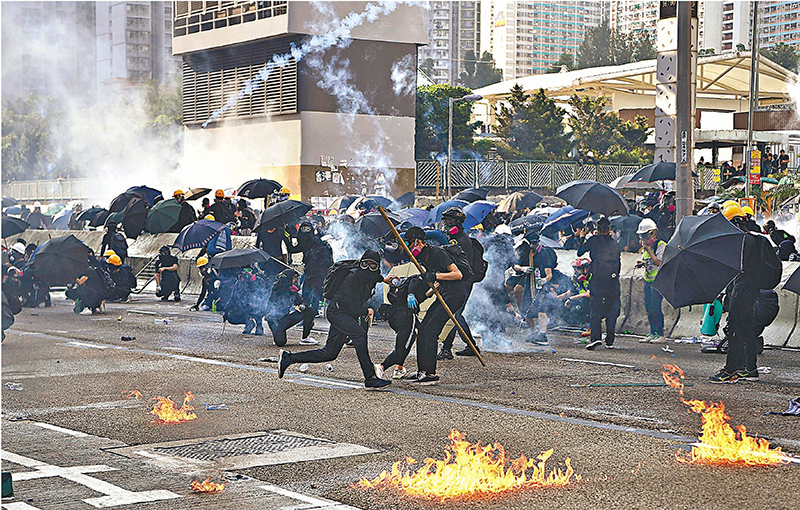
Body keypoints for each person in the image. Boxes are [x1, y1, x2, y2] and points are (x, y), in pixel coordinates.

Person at [278, 250, 390, 389]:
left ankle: (289, 358)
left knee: (329, 353)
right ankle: (370, 378)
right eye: (365, 264)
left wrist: (384, 279)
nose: (367, 268)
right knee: (360, 335)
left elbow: (373, 277)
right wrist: (367, 311)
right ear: (360, 263)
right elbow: (354, 306)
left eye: (372, 265)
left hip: (343, 314)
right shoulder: (352, 278)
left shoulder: (368, 276)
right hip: (338, 313)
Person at [709, 204, 778, 383]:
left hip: (741, 289)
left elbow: (734, 269)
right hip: (751, 289)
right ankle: (750, 369)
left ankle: (731, 369)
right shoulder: (753, 239)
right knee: (746, 327)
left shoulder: (740, 242)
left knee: (735, 328)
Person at [403, 227, 465, 385]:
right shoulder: (423, 258)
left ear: (419, 241)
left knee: (430, 330)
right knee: (422, 328)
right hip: (444, 293)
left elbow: (457, 274)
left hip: (455, 295)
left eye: (410, 243)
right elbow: (437, 282)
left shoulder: (437, 253)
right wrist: (424, 296)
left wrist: (435, 275)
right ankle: (421, 371)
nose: (409, 247)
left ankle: (430, 373)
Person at [438, 207, 480, 359]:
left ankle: (470, 346)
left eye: (449, 221)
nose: (446, 224)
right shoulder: (454, 238)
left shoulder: (461, 240)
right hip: (458, 280)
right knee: (453, 314)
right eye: (445, 221)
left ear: (457, 223)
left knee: (455, 314)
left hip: (463, 281)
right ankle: (447, 349)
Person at [375, 273, 429, 381]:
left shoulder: (400, 284)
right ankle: (381, 367)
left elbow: (420, 297)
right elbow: (415, 281)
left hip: (394, 316)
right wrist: (411, 293)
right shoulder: (419, 278)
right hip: (406, 317)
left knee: (412, 336)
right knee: (401, 348)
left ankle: (399, 368)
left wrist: (430, 293)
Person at [578, 216, 622, 350]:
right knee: (612, 311)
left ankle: (596, 338)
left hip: (597, 279)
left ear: (597, 229)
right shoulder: (614, 243)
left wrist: (582, 236)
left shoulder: (593, 241)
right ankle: (610, 340)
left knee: (595, 310)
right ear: (609, 230)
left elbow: (580, 252)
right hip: (612, 281)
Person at [513, 232, 559, 345]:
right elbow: (515, 265)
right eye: (531, 243)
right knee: (528, 310)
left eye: (535, 243)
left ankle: (543, 335)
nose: (533, 246)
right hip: (528, 283)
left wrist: (544, 280)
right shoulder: (525, 252)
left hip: (540, 286)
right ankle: (533, 332)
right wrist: (523, 269)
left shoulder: (544, 253)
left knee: (541, 309)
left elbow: (549, 274)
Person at [289, 220, 333, 316]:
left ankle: (311, 314)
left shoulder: (316, 242)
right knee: (307, 293)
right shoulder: (308, 241)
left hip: (318, 270)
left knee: (313, 293)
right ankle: (308, 314)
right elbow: (293, 249)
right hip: (311, 270)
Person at [266, 268, 317, 346]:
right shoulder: (277, 289)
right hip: (275, 321)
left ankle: (305, 338)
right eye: (294, 278)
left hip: (285, 318)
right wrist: (290, 290)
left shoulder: (291, 289)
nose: (295, 281)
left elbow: (301, 301)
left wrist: (302, 305)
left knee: (308, 310)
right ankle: (277, 334)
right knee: (281, 342)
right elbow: (277, 304)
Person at [635, 218, 667, 343]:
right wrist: (641, 263)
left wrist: (648, 250)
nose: (643, 238)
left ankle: (660, 333)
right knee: (648, 307)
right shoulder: (645, 248)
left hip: (658, 281)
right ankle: (652, 332)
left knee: (656, 307)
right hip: (648, 280)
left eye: (645, 235)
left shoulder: (660, 245)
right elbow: (647, 260)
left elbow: (659, 262)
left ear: (652, 233)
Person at [556, 257, 592, 328]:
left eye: (578, 269)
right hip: (583, 300)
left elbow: (588, 294)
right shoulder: (578, 280)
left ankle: (588, 325)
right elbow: (568, 293)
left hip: (595, 302)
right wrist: (556, 298)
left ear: (586, 269)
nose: (576, 271)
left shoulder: (592, 278)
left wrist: (571, 299)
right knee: (562, 304)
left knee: (579, 306)